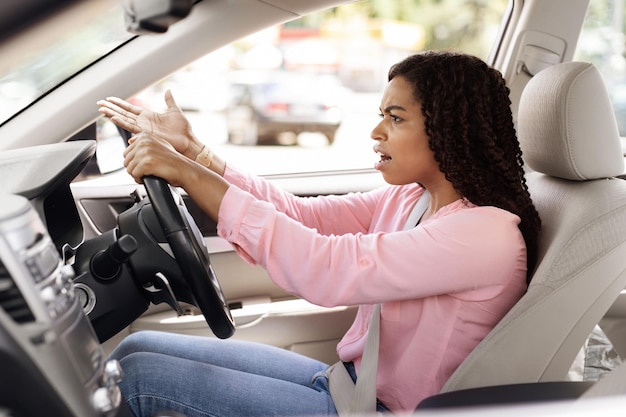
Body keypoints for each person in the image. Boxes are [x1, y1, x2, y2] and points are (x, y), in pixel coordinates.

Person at [98, 51, 541, 417]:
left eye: (396, 118)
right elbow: (300, 216)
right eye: (380, 115)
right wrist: (197, 155)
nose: (376, 131)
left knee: (136, 381)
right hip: (346, 387)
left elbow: (326, 268)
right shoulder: (412, 199)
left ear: (446, 128)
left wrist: (186, 174)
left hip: (376, 411)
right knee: (137, 349)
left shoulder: (483, 234)